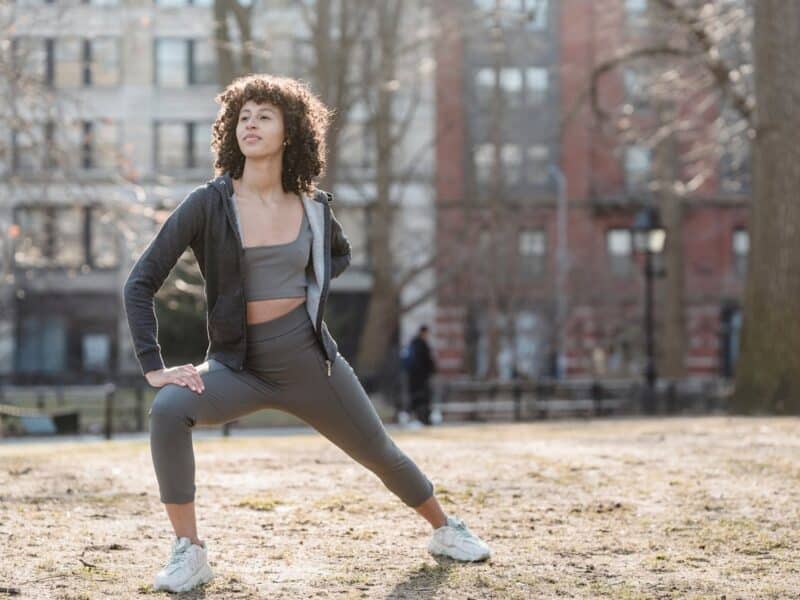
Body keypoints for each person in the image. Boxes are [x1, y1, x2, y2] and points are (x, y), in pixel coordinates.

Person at [122, 74, 491, 594]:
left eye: (264, 116)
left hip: (310, 362)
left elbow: (337, 255)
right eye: (243, 116)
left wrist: (306, 292)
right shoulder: (208, 204)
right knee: (168, 410)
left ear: (290, 132)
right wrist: (153, 364)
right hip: (237, 366)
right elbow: (140, 282)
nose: (250, 123)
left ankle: (445, 529)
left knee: (380, 451)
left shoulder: (314, 208)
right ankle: (190, 551)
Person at [407, 325, 437, 426]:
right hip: (422, 377)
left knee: (415, 398)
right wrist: (432, 370)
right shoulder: (422, 345)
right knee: (423, 398)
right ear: (424, 333)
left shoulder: (413, 343)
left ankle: (415, 418)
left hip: (413, 377)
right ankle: (424, 419)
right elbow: (427, 361)